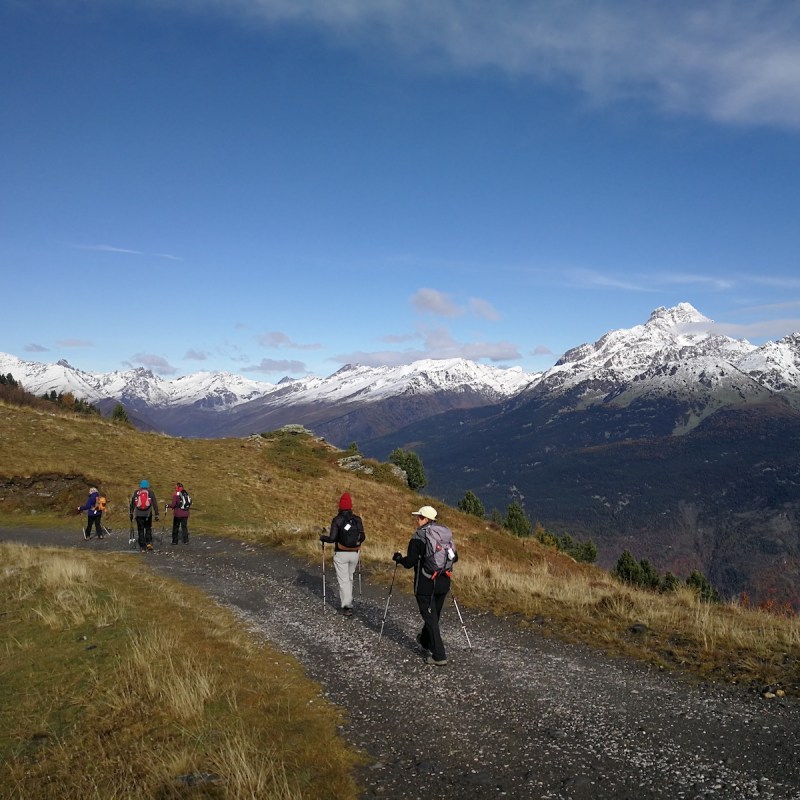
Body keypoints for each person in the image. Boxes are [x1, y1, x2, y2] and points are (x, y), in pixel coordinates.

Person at [393, 505, 457, 666]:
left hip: (426, 583)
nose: (417, 519)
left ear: (427, 519)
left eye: (420, 517)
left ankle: (439, 655)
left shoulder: (418, 537)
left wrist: (399, 559)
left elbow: (411, 562)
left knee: (430, 618)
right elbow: (455, 558)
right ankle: (425, 641)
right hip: (444, 580)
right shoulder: (445, 535)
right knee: (433, 616)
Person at [320, 492, 365, 617]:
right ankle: (348, 601)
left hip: (341, 553)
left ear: (340, 506)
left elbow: (332, 538)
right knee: (349, 578)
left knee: (343, 580)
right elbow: (363, 537)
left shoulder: (337, 520)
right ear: (350, 506)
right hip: (355, 553)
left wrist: (323, 538)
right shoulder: (357, 519)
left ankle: (347, 607)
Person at [129, 480, 159, 552]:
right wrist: (157, 514)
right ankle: (148, 543)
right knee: (148, 528)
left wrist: (131, 513)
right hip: (148, 514)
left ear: (140, 485)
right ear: (147, 485)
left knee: (140, 530)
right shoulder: (150, 492)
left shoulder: (136, 492)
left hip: (139, 515)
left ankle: (142, 547)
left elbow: (133, 504)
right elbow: (154, 503)